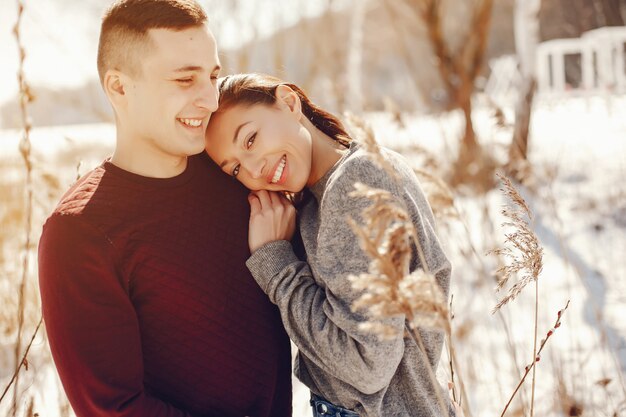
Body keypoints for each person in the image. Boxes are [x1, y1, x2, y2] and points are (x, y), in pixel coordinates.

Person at [37, 2, 292, 417]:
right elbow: (115, 408)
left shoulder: (235, 176)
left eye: (212, 76)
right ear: (119, 87)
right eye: (184, 79)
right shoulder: (79, 233)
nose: (210, 99)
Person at [204, 73, 455, 417]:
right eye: (234, 169)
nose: (254, 169)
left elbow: (368, 366)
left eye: (250, 139)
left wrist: (276, 266)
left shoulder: (356, 182)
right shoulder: (317, 199)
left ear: (289, 103)